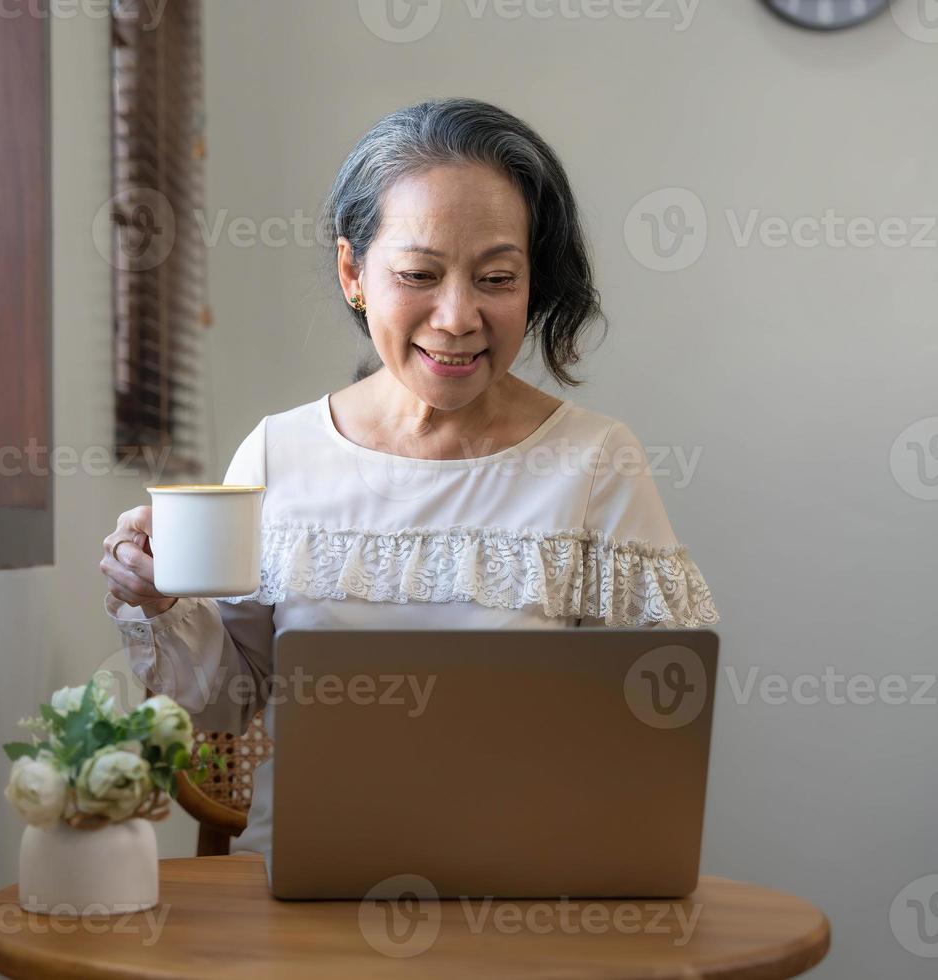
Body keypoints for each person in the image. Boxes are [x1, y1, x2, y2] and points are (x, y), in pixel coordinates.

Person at [98, 97, 720, 862]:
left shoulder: (596, 463)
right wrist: (161, 603)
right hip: (299, 879)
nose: (457, 316)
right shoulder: (278, 452)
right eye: (419, 273)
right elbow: (228, 706)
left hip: (525, 884)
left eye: (497, 278)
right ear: (353, 271)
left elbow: (653, 724)